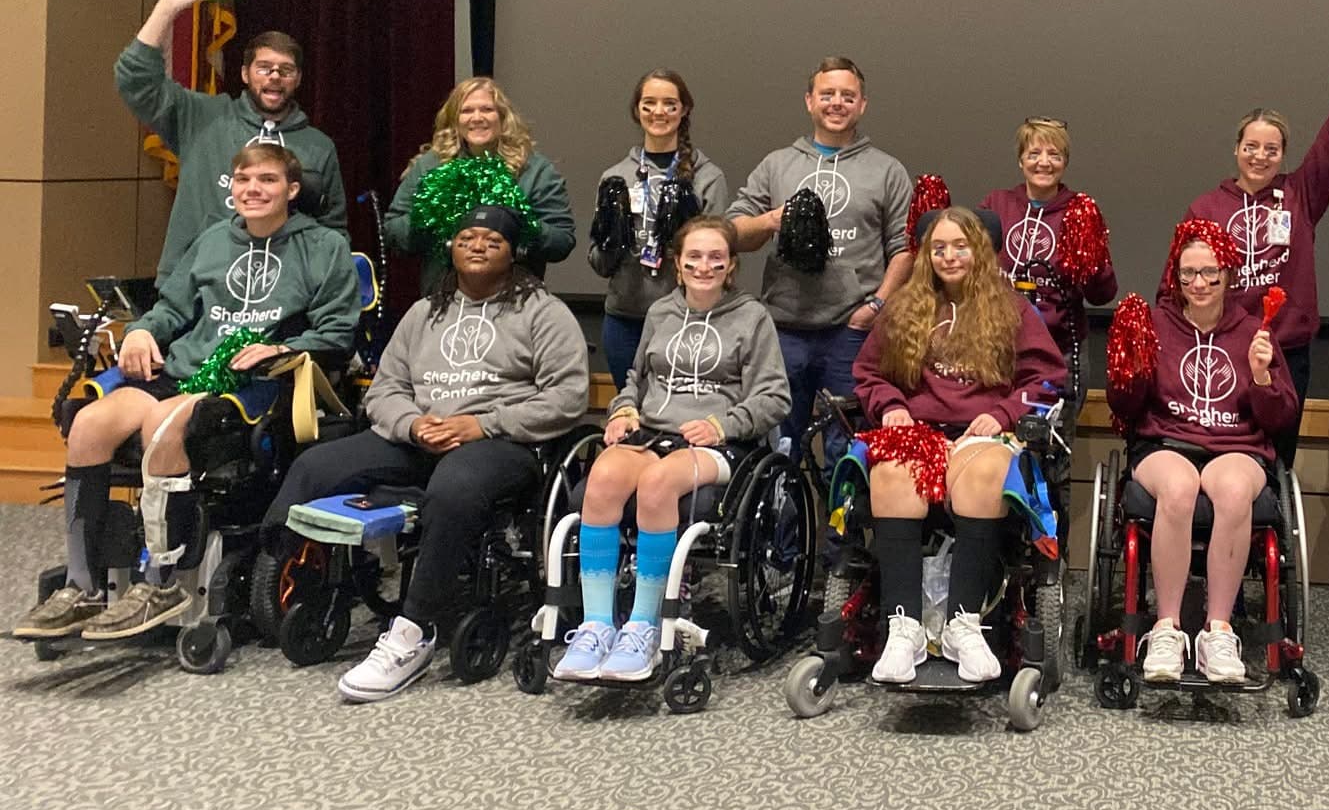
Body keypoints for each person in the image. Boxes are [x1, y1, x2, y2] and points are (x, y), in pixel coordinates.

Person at [14, 143, 359, 642]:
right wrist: (141, 332)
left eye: (266, 180)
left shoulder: (323, 247)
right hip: (183, 369)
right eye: (243, 180)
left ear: (292, 189)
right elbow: (171, 309)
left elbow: (337, 332)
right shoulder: (213, 240)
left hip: (256, 382)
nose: (253, 190)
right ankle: (82, 585)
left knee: (164, 424)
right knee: (89, 425)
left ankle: (159, 581)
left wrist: (282, 348)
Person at [263, 200, 588, 703]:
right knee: (317, 464)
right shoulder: (424, 312)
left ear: (514, 252)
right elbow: (384, 389)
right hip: (421, 435)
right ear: (451, 249)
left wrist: (481, 425)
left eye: (492, 241)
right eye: (466, 239)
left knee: (453, 489)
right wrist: (413, 425)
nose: (477, 246)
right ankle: (275, 585)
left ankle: (413, 632)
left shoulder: (543, 312)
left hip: (502, 443)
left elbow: (567, 398)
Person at [553, 216, 789, 683]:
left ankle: (644, 624)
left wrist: (724, 423)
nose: (705, 266)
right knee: (601, 476)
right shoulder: (661, 312)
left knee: (657, 483)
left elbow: (774, 396)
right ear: (677, 265)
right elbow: (637, 380)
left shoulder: (752, 316)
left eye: (715, 258)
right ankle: (597, 625)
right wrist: (622, 410)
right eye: (694, 257)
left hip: (720, 442)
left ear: (731, 265)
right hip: (652, 432)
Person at [852, 208, 1065, 684]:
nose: (950, 256)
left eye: (960, 246)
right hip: (920, 429)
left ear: (981, 252)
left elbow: (1049, 380)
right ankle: (902, 628)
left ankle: (963, 624)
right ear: (927, 255)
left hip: (981, 434)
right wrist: (890, 405)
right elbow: (867, 374)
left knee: (986, 473)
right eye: (939, 247)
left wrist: (1004, 413)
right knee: (889, 472)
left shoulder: (1013, 309)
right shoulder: (904, 308)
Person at [1108, 218, 1298, 686]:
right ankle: (1167, 627)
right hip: (1167, 441)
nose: (1200, 283)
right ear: (1176, 276)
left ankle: (1218, 630)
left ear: (1228, 274)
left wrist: (1260, 377)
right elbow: (1126, 410)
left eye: (1210, 272)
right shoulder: (1155, 323)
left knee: (1233, 491)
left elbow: (1281, 419)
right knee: (1179, 487)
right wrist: (1130, 372)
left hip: (1237, 445)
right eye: (1189, 273)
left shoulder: (1256, 330)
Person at [1182, 26, 1329, 463]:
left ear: (1283, 155)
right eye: (1251, 146)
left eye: (1272, 149)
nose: (1260, 156)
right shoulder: (1207, 207)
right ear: (1236, 150)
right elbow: (1181, 280)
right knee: (1221, 453)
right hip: (1224, 345)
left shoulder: (1300, 195)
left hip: (1287, 351)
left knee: (1277, 458)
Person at [730, 57, 913, 446]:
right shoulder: (777, 165)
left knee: (848, 446)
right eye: (827, 94)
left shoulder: (887, 170)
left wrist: (876, 307)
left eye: (848, 96)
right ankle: (785, 508)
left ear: (862, 104)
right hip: (784, 329)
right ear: (809, 101)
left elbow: (905, 249)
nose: (837, 103)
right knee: (780, 445)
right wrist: (770, 221)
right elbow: (733, 231)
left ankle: (841, 510)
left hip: (852, 331)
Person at [118, 0, 347, 282]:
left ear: (298, 79)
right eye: (264, 68)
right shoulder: (202, 117)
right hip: (192, 288)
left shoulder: (318, 147)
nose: (275, 76)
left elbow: (333, 231)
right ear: (244, 74)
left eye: (285, 70)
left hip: (280, 297)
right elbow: (135, 82)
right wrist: (166, 8)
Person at [587, 69, 732, 388]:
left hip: (686, 318)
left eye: (669, 104)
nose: (658, 112)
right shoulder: (616, 177)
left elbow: (722, 258)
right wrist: (613, 242)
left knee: (676, 410)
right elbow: (598, 263)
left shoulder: (707, 177)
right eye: (649, 103)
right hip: (624, 317)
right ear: (637, 111)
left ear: (684, 110)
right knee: (629, 410)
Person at [385, 76, 576, 282]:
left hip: (516, 299)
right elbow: (392, 232)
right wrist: (429, 215)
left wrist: (520, 221)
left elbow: (562, 241)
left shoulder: (535, 169)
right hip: (444, 296)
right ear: (455, 120)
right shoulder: (431, 165)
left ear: (502, 118)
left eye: (487, 109)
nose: (477, 118)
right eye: (466, 111)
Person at [978, 116, 1117, 378]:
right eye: (1034, 153)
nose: (1044, 162)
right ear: (1020, 160)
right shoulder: (996, 204)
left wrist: (1091, 260)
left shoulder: (1079, 210)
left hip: (1061, 350)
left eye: (1054, 154)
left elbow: (1102, 295)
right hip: (999, 348)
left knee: (1058, 420)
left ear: (1065, 162)